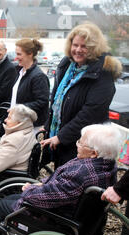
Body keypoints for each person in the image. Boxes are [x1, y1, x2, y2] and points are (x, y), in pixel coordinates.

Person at [0, 123, 120, 235]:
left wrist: (29, 189)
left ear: (94, 153)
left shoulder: (81, 172)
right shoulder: (107, 165)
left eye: (80, 142)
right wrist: (41, 183)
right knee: (12, 199)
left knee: (3, 205)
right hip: (73, 216)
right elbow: (60, 185)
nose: (77, 145)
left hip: (55, 219)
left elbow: (51, 196)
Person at [41, 23, 122, 169]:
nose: (78, 50)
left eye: (84, 46)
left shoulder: (103, 73)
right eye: (75, 45)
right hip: (64, 138)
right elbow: (56, 100)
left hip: (86, 146)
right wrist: (48, 126)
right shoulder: (67, 65)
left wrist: (61, 137)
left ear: (94, 48)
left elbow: (91, 113)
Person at [10, 38, 49, 131]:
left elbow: (42, 101)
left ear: (30, 54)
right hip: (19, 123)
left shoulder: (38, 76)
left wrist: (19, 109)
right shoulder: (20, 72)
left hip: (31, 127)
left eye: (19, 54)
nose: (16, 57)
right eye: (16, 54)